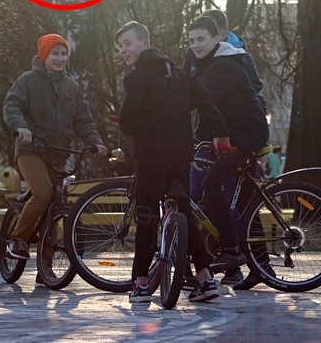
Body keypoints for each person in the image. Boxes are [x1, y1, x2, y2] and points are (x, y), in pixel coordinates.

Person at [114, 21, 229, 304]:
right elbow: (207, 102)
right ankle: (205, 279)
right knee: (185, 214)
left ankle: (141, 284)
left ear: (145, 44)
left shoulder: (138, 77)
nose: (123, 51)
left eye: (127, 44)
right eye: (120, 47)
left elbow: (128, 122)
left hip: (151, 158)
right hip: (180, 156)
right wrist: (220, 132)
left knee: (146, 217)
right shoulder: (180, 75)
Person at [3, 33, 108, 271]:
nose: (60, 58)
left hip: (58, 154)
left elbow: (83, 120)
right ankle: (17, 238)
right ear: (43, 56)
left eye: (63, 54)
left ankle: (46, 267)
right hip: (31, 150)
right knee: (43, 193)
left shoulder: (72, 86)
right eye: (55, 54)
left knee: (55, 206)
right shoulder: (27, 80)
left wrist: (96, 142)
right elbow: (11, 104)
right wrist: (20, 126)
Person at [188, 15, 270, 291]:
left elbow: (199, 96)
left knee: (211, 185)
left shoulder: (225, 65)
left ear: (217, 38)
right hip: (232, 134)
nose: (195, 45)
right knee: (245, 203)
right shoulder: (210, 62)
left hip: (244, 135)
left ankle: (232, 249)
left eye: (201, 39)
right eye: (192, 40)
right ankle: (262, 267)